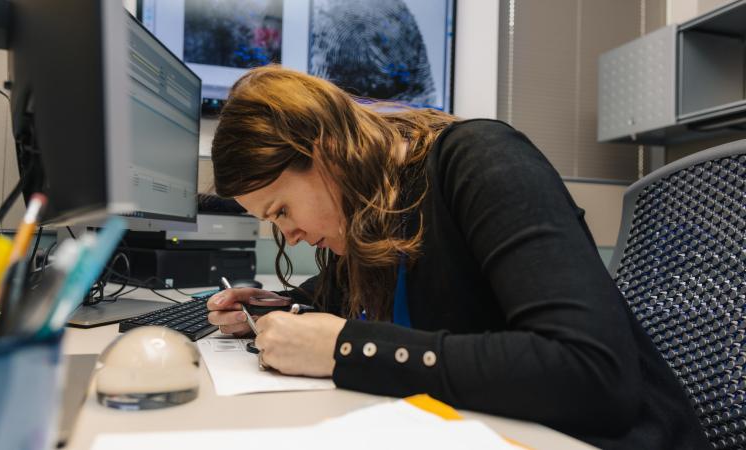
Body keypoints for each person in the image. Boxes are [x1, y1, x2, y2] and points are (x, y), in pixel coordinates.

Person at [205, 65, 710, 449]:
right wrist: (273, 312)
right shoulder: (366, 224)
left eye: (282, 209)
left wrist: (347, 347)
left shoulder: (482, 161)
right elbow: (370, 308)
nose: (287, 235)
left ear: (327, 149)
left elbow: (592, 376)